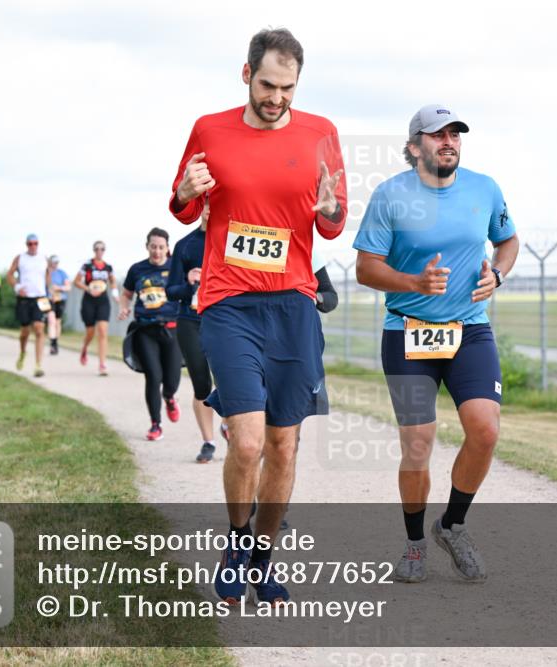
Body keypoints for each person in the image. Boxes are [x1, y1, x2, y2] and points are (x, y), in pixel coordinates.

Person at [168, 27, 346, 606]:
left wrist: (331, 209)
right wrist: (183, 190)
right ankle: (235, 544)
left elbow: (332, 224)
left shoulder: (321, 134)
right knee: (246, 443)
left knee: (284, 445)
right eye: (268, 85)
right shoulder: (208, 128)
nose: (277, 98)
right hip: (228, 302)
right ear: (247, 75)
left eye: (287, 88)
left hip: (293, 304)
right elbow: (183, 207)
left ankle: (263, 557)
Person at [354, 104, 519, 584]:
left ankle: (452, 525)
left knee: (485, 429)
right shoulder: (390, 196)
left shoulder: (484, 188)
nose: (448, 141)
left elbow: (507, 242)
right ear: (413, 147)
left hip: (470, 329)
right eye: (436, 134)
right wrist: (412, 282)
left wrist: (499, 275)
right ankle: (413, 545)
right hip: (408, 332)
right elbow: (366, 268)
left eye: (454, 134)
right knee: (418, 445)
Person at [167, 198, 219, 461]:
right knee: (201, 383)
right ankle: (208, 441)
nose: (213, 210)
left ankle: (231, 424)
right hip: (191, 319)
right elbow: (171, 291)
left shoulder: (231, 241)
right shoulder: (184, 245)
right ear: (201, 208)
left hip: (223, 319)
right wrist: (188, 283)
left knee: (231, 382)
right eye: (208, 205)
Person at [120, 228, 183, 441]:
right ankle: (155, 424)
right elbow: (126, 294)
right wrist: (124, 307)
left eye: (161, 247)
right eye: (153, 247)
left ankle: (169, 397)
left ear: (168, 248)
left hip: (173, 329)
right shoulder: (137, 269)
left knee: (172, 379)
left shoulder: (177, 267)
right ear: (147, 246)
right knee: (153, 375)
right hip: (146, 329)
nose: (157, 251)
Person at [7, 234, 51, 377]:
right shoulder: (20, 258)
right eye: (30, 244)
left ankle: (38, 365)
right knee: (25, 331)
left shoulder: (44, 258)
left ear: (38, 244)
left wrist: (48, 292)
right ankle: (22, 352)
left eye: (35, 243)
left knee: (39, 329)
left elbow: (48, 276)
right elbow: (9, 275)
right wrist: (17, 287)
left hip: (40, 298)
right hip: (24, 298)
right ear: (26, 244)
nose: (33, 246)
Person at [74, 241, 117, 376]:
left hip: (103, 301)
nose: (99, 251)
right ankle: (85, 347)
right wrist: (88, 289)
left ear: (104, 251)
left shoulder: (108, 267)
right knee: (91, 332)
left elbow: (113, 281)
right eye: (97, 249)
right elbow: (76, 281)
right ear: (94, 250)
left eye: (102, 249)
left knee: (103, 331)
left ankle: (102, 365)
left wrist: (115, 293)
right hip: (89, 301)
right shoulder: (87, 266)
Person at [47, 255, 70, 355]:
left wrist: (59, 288)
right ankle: (52, 344)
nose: (55, 264)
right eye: (53, 262)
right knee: (51, 321)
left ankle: (55, 343)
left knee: (57, 322)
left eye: (56, 262)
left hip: (60, 299)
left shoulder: (62, 273)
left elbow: (68, 287)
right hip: (49, 299)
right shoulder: (46, 273)